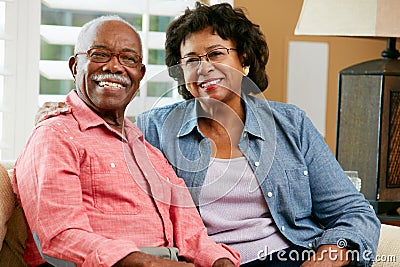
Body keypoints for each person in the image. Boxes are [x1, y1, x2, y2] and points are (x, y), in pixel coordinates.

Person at [36, 3, 381, 267]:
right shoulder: (152, 130)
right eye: (190, 59)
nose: (203, 68)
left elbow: (353, 211)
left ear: (244, 61)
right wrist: (58, 114)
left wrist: (327, 257)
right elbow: (98, 141)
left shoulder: (291, 124)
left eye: (216, 53)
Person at [13, 15, 240, 267]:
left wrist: (221, 261)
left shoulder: (148, 148)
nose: (114, 67)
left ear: (140, 74)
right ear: (75, 67)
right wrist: (149, 264)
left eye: (128, 58)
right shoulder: (55, 136)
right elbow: (60, 236)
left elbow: (192, 235)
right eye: (100, 55)